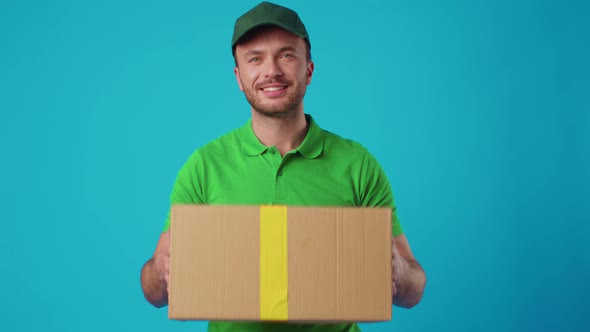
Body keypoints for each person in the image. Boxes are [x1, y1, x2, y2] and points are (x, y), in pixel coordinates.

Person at [140, 2, 426, 331]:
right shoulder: (204, 166)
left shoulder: (357, 164)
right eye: (255, 58)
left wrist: (400, 274)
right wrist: (160, 272)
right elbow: (154, 293)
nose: (271, 70)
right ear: (238, 76)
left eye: (286, 54)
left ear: (309, 69)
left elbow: (413, 290)